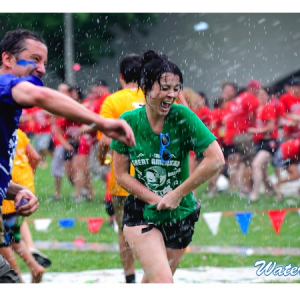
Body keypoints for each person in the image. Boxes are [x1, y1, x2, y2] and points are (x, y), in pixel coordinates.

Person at [0, 28, 135, 282]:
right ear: (7, 59)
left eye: (44, 63)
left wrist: (15, 191)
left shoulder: (8, 103)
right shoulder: (3, 84)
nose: (41, 69)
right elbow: (39, 95)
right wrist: (102, 123)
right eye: (35, 59)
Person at [111, 50, 225, 283]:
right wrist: (154, 198)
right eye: (164, 88)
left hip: (180, 213)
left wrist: (176, 195)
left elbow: (216, 159)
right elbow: (121, 175)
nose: (171, 94)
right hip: (141, 212)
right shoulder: (129, 121)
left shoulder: (182, 116)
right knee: (163, 282)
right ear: (145, 87)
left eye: (176, 88)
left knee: (154, 282)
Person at [97, 53, 146, 283]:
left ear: (121, 76)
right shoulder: (155, 96)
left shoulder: (112, 101)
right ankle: (158, 275)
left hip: (123, 180)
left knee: (125, 232)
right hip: (157, 179)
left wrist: (123, 142)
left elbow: (104, 140)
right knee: (156, 229)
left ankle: (130, 280)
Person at [0, 129, 45, 283]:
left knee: (3, 240)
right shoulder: (16, 131)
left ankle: (17, 279)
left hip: (7, 192)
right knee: (13, 236)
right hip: (24, 190)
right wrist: (28, 177)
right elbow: (35, 156)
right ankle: (33, 264)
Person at [247, 87, 280, 202]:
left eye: (262, 94)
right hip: (259, 141)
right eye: (258, 94)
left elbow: (271, 127)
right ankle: (278, 193)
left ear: (268, 96)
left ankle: (255, 193)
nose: (260, 96)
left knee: (256, 164)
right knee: (264, 172)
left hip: (269, 142)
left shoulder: (268, 107)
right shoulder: (257, 109)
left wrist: (255, 131)